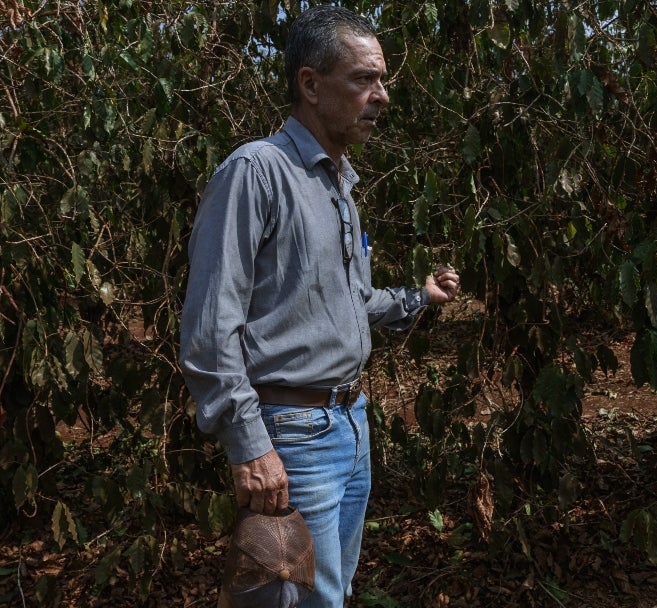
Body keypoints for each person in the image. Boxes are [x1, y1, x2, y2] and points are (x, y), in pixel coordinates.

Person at [179, 6, 460, 607]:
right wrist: (250, 443)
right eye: (363, 79)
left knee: (329, 594)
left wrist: (419, 297)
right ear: (310, 84)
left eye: (382, 80)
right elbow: (210, 325)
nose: (381, 95)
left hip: (349, 427)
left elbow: (348, 302)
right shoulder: (257, 172)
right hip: (292, 435)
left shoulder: (338, 185)